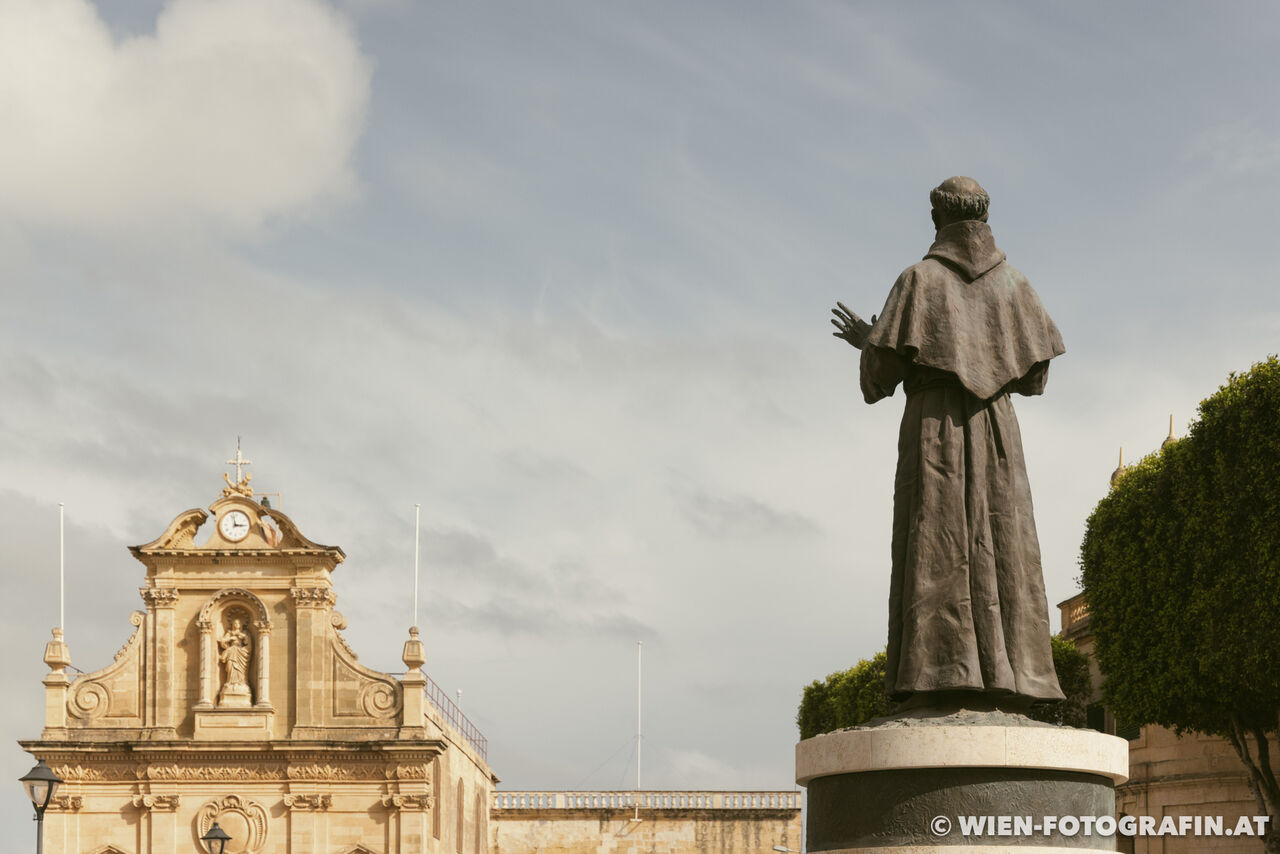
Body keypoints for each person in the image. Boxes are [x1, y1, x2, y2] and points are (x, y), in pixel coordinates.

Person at [831, 176, 1065, 709]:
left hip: (934, 426)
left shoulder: (919, 280)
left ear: (938, 219)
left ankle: (936, 672)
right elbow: (1035, 378)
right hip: (996, 429)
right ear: (984, 219)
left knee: (935, 539)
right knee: (1004, 539)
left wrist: (870, 340)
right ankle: (1015, 676)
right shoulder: (1017, 286)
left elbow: (881, 375)